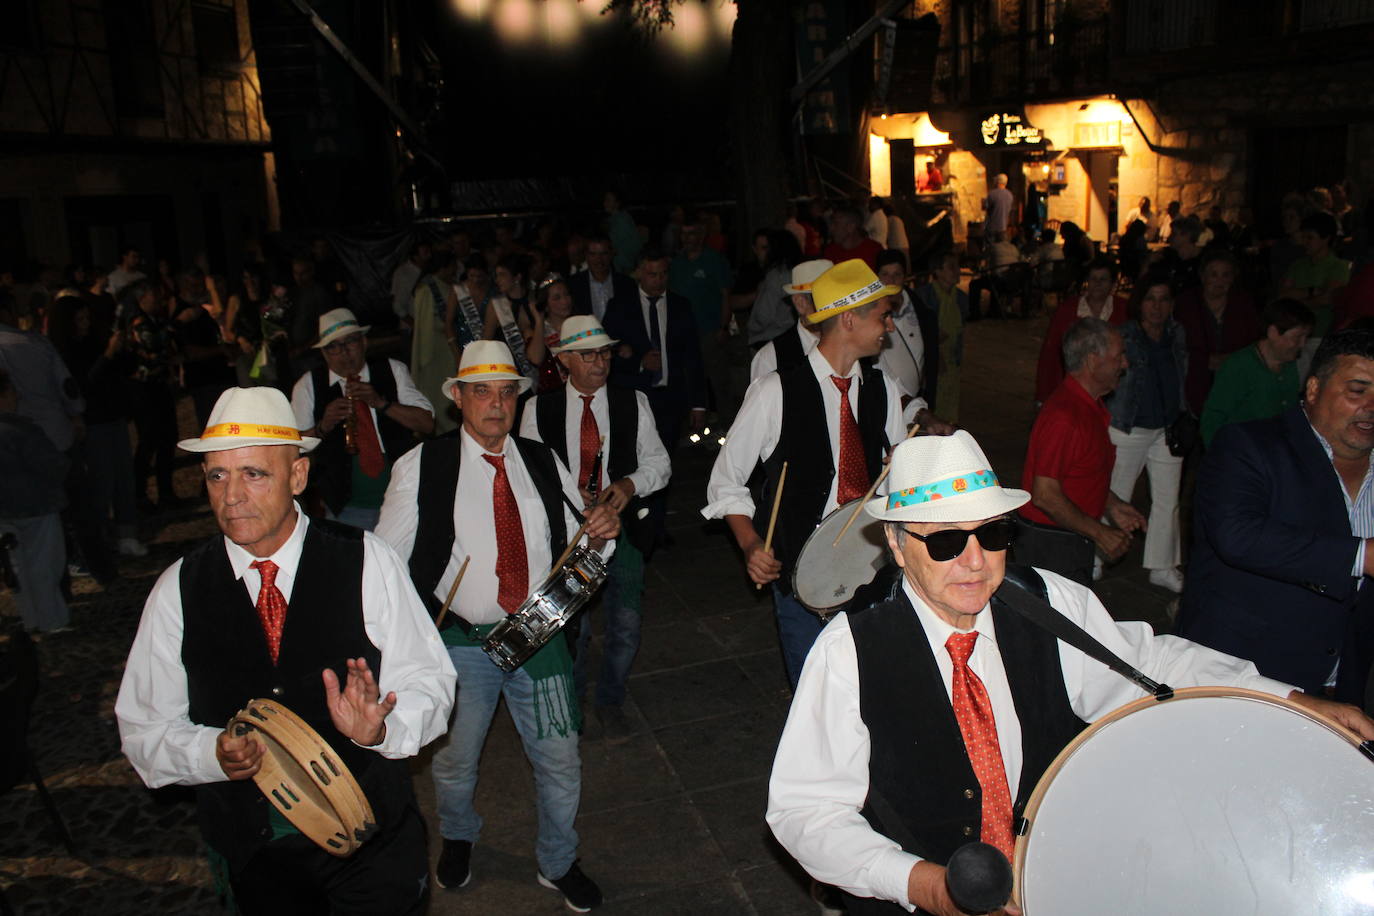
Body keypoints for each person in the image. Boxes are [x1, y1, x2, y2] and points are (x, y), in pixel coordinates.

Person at [766, 430, 1374, 916]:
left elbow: (1152, 662)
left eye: (992, 534)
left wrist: (1290, 699)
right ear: (897, 544)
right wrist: (925, 886)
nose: (975, 562)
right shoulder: (850, 650)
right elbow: (805, 813)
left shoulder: (1049, 603)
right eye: (946, 542)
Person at [115, 386, 456, 915]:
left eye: (254, 473)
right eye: (217, 475)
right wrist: (212, 754)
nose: (231, 496)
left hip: (372, 843)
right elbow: (144, 731)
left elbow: (431, 682)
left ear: (297, 476)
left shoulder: (367, 560)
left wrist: (381, 727)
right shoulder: (176, 591)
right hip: (259, 856)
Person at [374, 341, 620, 912]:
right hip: (459, 640)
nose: (496, 404)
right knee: (456, 761)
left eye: (507, 392)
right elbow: (384, 562)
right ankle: (458, 837)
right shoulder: (422, 465)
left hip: (538, 635)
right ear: (457, 398)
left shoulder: (540, 459)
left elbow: (579, 546)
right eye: (481, 391)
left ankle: (558, 860)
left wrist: (602, 531)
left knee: (561, 758)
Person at [704, 259, 908, 689]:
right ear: (849, 319)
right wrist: (751, 544)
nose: (889, 326)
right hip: (802, 570)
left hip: (871, 565)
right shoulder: (774, 390)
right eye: (882, 316)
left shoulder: (882, 389)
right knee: (814, 700)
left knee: (870, 692)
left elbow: (897, 472)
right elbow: (725, 482)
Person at [1178, 329, 1374, 703]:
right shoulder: (1248, 446)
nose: (1372, 405)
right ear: (1314, 390)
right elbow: (1237, 535)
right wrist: (1361, 556)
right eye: (1357, 390)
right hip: (1248, 675)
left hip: (1343, 686)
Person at [519, 315, 670, 737]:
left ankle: (610, 699)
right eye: (587, 355)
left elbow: (660, 463)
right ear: (564, 360)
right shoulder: (537, 407)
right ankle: (574, 698)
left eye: (603, 353)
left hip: (623, 533)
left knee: (625, 623)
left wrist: (628, 483)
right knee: (573, 628)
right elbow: (532, 473)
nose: (599, 363)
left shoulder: (632, 401)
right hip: (570, 535)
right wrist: (569, 496)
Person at [1018, 318, 1146, 585]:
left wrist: (1112, 505)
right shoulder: (1064, 416)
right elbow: (1045, 496)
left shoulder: (1088, 406)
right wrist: (1100, 533)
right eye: (1118, 356)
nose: (1124, 364)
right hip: (1050, 545)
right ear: (1091, 361)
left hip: (1069, 537)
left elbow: (1080, 472)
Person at [291, 309, 434, 531]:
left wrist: (382, 404)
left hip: (404, 498)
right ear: (325, 354)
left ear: (364, 342)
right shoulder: (308, 385)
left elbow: (426, 423)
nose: (344, 352)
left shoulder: (393, 369)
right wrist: (323, 426)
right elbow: (293, 448)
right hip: (346, 506)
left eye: (350, 342)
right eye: (334, 347)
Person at [1105, 274, 1189, 593]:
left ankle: (1162, 565)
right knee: (1117, 493)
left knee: (1168, 499)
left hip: (1167, 428)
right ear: (1139, 303)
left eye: (1164, 299)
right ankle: (1100, 554)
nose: (1157, 307)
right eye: (1151, 299)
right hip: (1129, 425)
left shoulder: (1175, 333)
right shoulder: (1125, 335)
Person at [603, 247, 707, 454]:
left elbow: (693, 357)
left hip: (670, 398)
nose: (659, 280)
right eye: (652, 274)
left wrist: (698, 404)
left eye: (663, 274)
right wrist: (639, 362)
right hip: (634, 397)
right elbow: (606, 354)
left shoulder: (680, 306)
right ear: (640, 273)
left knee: (666, 459)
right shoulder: (620, 306)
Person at [0, 368, 71, 635]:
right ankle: (52, 620)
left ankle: (31, 619)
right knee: (44, 565)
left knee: (17, 569)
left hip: (4, 512)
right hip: (36, 506)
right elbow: (52, 465)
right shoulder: (21, 430)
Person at [1201, 298, 1313, 446]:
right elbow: (1213, 419)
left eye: (1306, 337)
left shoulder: (1290, 365)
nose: (1302, 344)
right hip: (1242, 454)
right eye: (1297, 337)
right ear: (1273, 332)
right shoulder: (1240, 366)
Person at [1174, 249, 1259, 413]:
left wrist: (1231, 360)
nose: (1219, 281)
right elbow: (1178, 345)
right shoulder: (1186, 304)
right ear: (1203, 276)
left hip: (1235, 381)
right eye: (1214, 274)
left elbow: (1253, 342)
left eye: (1226, 275)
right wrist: (1203, 360)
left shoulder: (1244, 304)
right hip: (1195, 381)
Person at [1033, 256, 1127, 404]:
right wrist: (1044, 395)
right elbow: (1050, 354)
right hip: (1075, 390)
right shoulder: (1067, 310)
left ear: (1113, 283)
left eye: (1103, 279)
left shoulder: (1123, 310)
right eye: (1093, 279)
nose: (1097, 284)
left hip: (1114, 392)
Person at [668, 220, 736, 425]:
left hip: (710, 331)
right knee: (691, 381)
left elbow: (726, 295)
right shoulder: (677, 264)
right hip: (685, 334)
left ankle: (728, 426)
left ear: (701, 235)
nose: (687, 238)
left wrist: (724, 327)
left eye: (692, 233)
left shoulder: (714, 261)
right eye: (684, 233)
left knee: (719, 381)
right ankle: (697, 429)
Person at [123, 280, 181, 511]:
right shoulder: (140, 323)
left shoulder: (155, 320)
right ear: (142, 298)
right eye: (154, 296)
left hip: (159, 385)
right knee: (148, 441)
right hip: (144, 389)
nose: (159, 300)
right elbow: (155, 348)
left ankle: (166, 493)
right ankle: (140, 495)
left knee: (167, 439)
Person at [1283, 210, 1352, 379]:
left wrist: (1299, 299)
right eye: (1304, 237)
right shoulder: (1297, 265)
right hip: (1294, 336)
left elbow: (1328, 299)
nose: (1304, 242)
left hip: (1321, 337)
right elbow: (1283, 296)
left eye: (1310, 238)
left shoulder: (1339, 267)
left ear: (1325, 238)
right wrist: (1314, 291)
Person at [749, 259, 831, 382]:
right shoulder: (771, 358)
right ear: (800, 303)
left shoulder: (851, 345)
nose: (836, 308)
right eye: (826, 299)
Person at [913, 251, 968, 422]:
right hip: (931, 358)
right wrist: (936, 353)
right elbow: (920, 332)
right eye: (951, 267)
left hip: (952, 360)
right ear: (937, 271)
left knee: (951, 402)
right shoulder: (923, 297)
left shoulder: (961, 298)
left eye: (957, 266)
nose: (957, 271)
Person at [875, 250, 925, 406]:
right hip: (887, 401)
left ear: (905, 277)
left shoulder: (921, 309)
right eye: (885, 275)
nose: (891, 281)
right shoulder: (871, 314)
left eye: (897, 275)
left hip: (918, 400)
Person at [568, 235, 636, 322]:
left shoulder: (626, 284)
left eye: (604, 254)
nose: (598, 259)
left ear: (611, 254)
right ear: (586, 255)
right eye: (593, 254)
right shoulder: (574, 285)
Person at [824, 206, 884, 271]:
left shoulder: (874, 251)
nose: (831, 229)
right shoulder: (830, 251)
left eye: (836, 224)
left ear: (851, 227)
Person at [390, 241, 432, 329]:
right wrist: (415, 326)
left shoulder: (431, 270)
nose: (430, 255)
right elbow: (397, 306)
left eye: (430, 252)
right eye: (425, 253)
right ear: (415, 256)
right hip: (410, 330)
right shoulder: (403, 273)